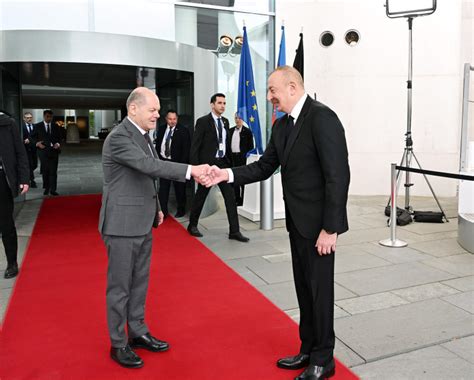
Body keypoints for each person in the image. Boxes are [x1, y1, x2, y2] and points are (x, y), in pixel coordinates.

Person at [207, 66, 350, 380]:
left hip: (319, 228)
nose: (269, 97)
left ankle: (324, 360)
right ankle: (308, 348)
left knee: (320, 292)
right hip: (297, 225)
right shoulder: (282, 126)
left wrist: (331, 228)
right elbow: (264, 167)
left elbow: (337, 176)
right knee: (304, 289)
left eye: (272, 90)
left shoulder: (322, 118)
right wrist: (226, 174)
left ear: (293, 86)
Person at [98, 87, 212, 369]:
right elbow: (149, 166)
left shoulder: (144, 136)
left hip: (142, 221)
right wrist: (191, 170)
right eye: (153, 110)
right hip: (122, 225)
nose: (158, 115)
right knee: (120, 287)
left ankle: (137, 331)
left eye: (158, 110)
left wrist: (157, 208)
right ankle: (118, 343)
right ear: (133, 109)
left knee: (139, 283)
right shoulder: (119, 138)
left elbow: (147, 175)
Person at [187, 93, 249, 242]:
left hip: (222, 165)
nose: (222, 106)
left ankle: (234, 231)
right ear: (212, 104)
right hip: (207, 166)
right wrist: (196, 169)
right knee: (201, 196)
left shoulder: (226, 122)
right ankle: (192, 225)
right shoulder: (203, 122)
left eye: (224, 103)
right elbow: (195, 146)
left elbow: (226, 144)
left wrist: (229, 164)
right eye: (220, 103)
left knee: (230, 198)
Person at [0, 111, 30, 279]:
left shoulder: (7, 123)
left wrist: (24, 178)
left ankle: (12, 263)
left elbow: (20, 153)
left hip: (2, 181)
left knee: (6, 224)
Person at [155, 109, 191, 218]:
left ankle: (181, 210)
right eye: (170, 119)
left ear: (177, 119)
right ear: (166, 119)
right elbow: (158, 145)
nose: (172, 121)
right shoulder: (161, 129)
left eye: (174, 119)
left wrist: (182, 167)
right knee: (163, 189)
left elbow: (186, 150)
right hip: (164, 163)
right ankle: (163, 212)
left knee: (179, 189)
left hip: (177, 164)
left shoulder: (183, 131)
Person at [33, 110, 61, 196]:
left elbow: (60, 137)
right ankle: (46, 188)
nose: (49, 118)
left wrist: (58, 144)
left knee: (53, 171)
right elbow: (31, 137)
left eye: (51, 117)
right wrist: (37, 143)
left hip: (54, 151)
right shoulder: (38, 126)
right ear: (44, 116)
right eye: (47, 116)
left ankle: (53, 189)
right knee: (45, 171)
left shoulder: (55, 126)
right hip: (43, 152)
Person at [229, 112, 254, 206]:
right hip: (233, 158)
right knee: (234, 179)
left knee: (243, 179)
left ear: (243, 119)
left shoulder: (247, 132)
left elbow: (251, 147)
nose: (237, 119)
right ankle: (237, 199)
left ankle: (244, 200)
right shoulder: (230, 131)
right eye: (236, 118)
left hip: (242, 158)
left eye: (239, 118)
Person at [22, 112, 38, 188]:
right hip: (25, 149)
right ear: (24, 118)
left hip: (33, 149)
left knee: (35, 164)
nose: (29, 119)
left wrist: (31, 140)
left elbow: (36, 136)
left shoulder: (35, 126)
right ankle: (32, 180)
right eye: (27, 118)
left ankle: (29, 177)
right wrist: (24, 141)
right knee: (30, 165)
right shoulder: (22, 127)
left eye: (30, 117)